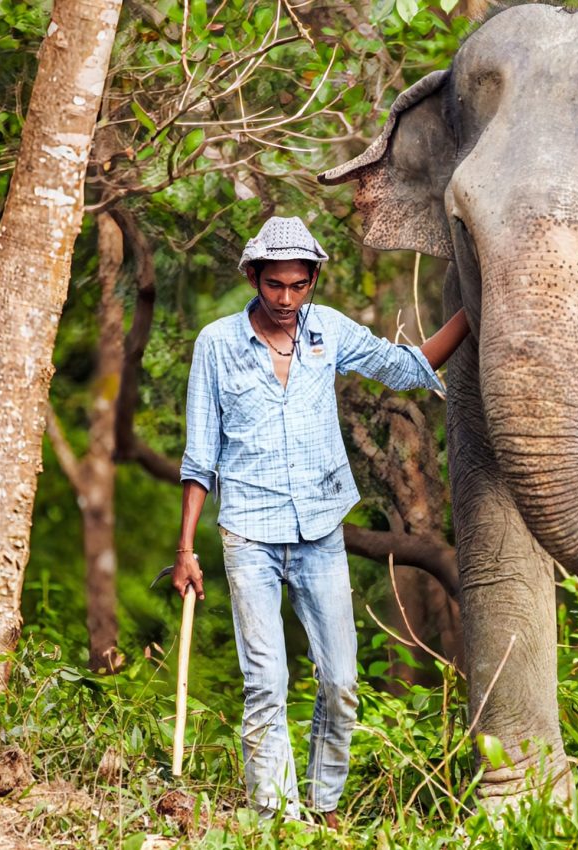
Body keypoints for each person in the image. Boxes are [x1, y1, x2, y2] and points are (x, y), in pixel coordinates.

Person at [172, 216, 469, 827]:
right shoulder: (216, 344)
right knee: (266, 685)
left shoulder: (327, 331)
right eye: (274, 285)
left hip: (319, 533)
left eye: (298, 286)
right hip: (249, 533)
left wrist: (474, 308)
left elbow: (407, 368)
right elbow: (200, 458)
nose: (285, 299)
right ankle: (278, 818)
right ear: (253, 276)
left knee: (340, 682)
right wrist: (185, 551)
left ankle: (323, 804)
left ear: (312, 282)